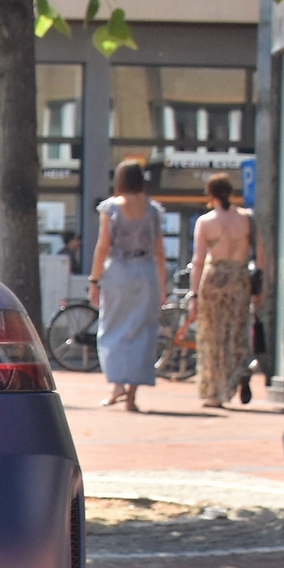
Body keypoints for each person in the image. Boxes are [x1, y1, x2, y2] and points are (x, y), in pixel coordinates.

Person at [89, 160, 166, 409]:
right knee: (143, 329)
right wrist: (162, 285)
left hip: (118, 272)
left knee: (113, 327)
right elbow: (160, 251)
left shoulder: (111, 208)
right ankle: (131, 393)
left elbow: (103, 246)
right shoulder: (153, 210)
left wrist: (94, 279)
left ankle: (117, 385)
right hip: (146, 271)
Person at [187, 174, 255, 408]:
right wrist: (260, 288)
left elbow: (198, 260)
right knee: (236, 331)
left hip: (215, 278)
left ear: (211, 195)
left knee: (212, 337)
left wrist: (194, 294)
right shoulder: (246, 219)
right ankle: (238, 372)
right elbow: (262, 256)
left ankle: (215, 392)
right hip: (239, 278)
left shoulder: (206, 222)